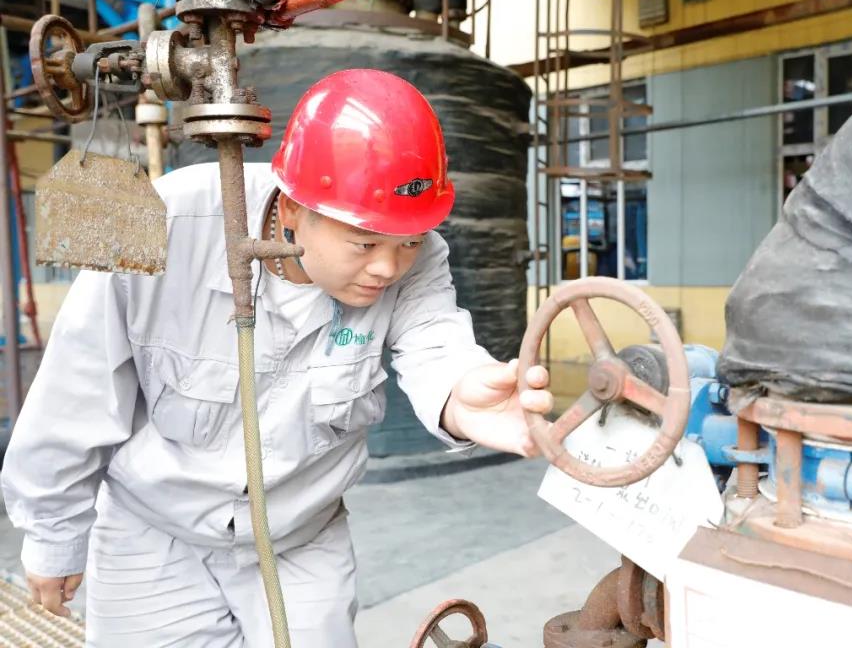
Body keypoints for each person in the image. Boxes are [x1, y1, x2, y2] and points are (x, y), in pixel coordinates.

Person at [0, 68, 553, 646]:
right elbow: (76, 389)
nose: (389, 268)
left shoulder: (416, 250)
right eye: (364, 243)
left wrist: (461, 392)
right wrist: (53, 533)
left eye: (408, 243)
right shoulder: (162, 225)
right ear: (290, 211)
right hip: (154, 534)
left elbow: (435, 336)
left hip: (301, 538)